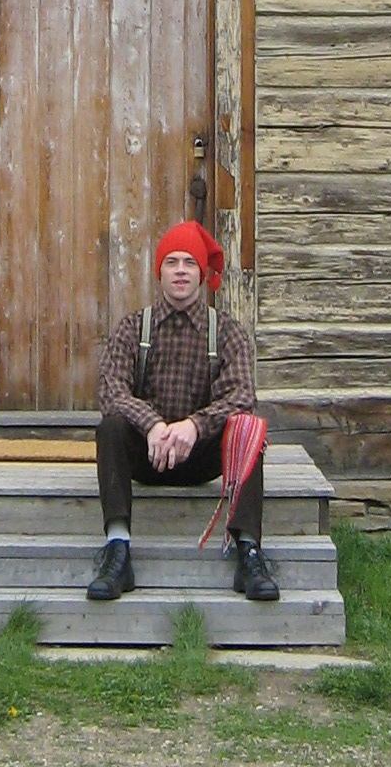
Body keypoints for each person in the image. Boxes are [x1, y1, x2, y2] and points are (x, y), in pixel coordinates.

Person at [88, 219, 279, 604]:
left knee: (248, 427)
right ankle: (118, 550)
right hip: (147, 456)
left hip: (202, 457)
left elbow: (242, 394)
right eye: (172, 262)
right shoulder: (132, 328)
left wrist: (194, 426)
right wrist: (154, 426)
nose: (180, 270)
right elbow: (110, 389)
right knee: (110, 427)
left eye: (189, 263)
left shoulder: (226, 332)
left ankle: (249, 552)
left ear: (202, 273)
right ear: (159, 272)